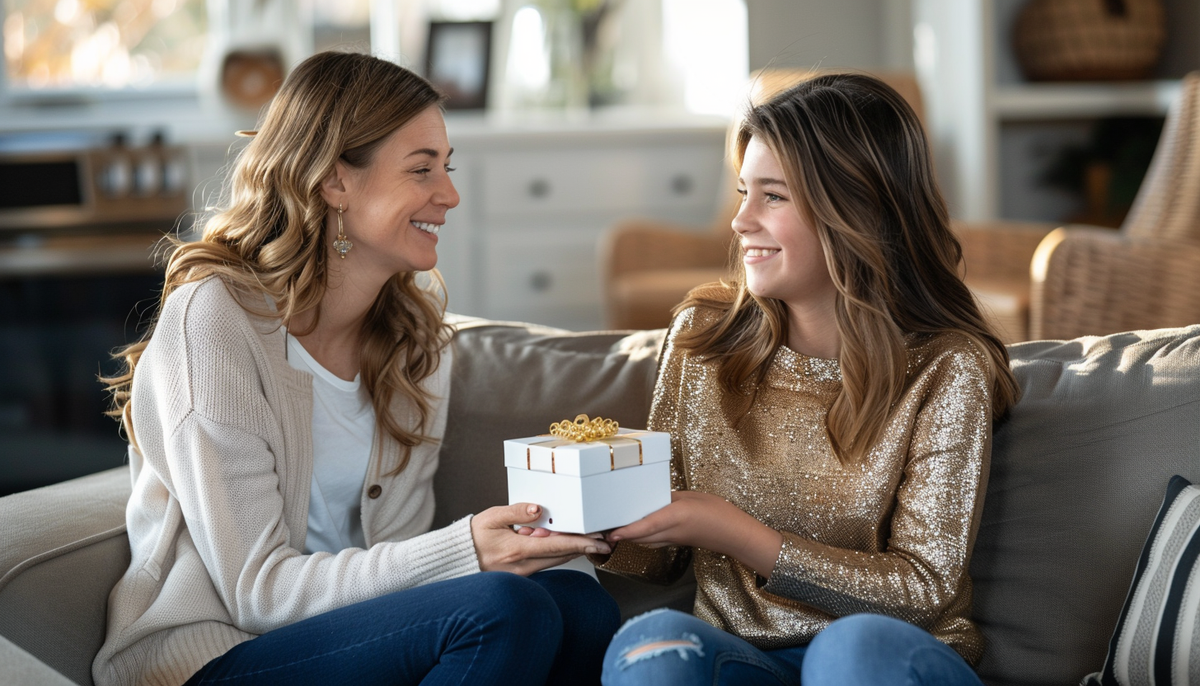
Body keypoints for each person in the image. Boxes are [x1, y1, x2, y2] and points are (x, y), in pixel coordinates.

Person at [94, 51, 618, 686]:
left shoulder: (414, 340)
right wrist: (468, 553)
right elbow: (257, 594)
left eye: (445, 168)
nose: (449, 195)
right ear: (335, 180)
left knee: (578, 601)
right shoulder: (214, 321)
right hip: (217, 656)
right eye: (422, 169)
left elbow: (394, 560)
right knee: (501, 609)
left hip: (351, 641)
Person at [587, 73, 1020, 685]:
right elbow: (663, 560)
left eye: (773, 196)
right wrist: (595, 522)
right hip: (746, 662)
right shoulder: (702, 336)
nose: (739, 221)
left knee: (852, 651)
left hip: (889, 660)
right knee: (652, 643)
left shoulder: (946, 368)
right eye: (742, 192)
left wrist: (735, 532)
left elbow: (923, 590)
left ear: (856, 211)